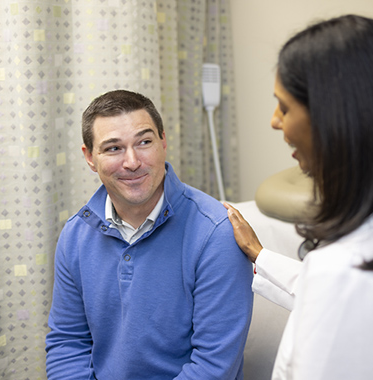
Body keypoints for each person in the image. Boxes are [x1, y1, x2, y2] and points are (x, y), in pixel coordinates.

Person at [224, 14, 373, 380]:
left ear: (334, 120)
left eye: (285, 107)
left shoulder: (345, 274)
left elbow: (338, 293)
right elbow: (332, 299)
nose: (275, 121)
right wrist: (262, 257)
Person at [45, 90, 254, 380]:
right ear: (90, 157)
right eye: (113, 148)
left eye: (144, 142)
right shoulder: (75, 235)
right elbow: (68, 343)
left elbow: (213, 365)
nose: (132, 162)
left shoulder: (215, 233)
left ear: (163, 142)